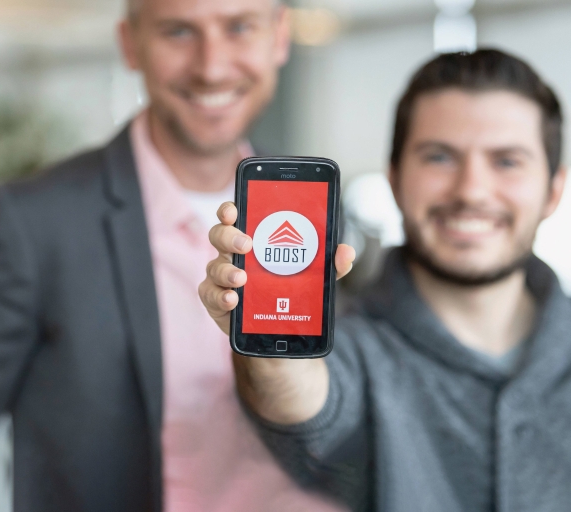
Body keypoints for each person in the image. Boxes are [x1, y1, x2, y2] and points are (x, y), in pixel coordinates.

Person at [0, 0, 341, 511]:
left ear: (280, 37)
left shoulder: (317, 219)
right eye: (178, 31)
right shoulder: (30, 222)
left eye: (239, 27)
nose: (212, 65)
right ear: (131, 43)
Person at [199, 49, 570, 511]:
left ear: (553, 190)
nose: (471, 189)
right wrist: (272, 348)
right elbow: (300, 402)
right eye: (439, 157)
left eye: (507, 161)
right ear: (395, 178)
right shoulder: (349, 349)